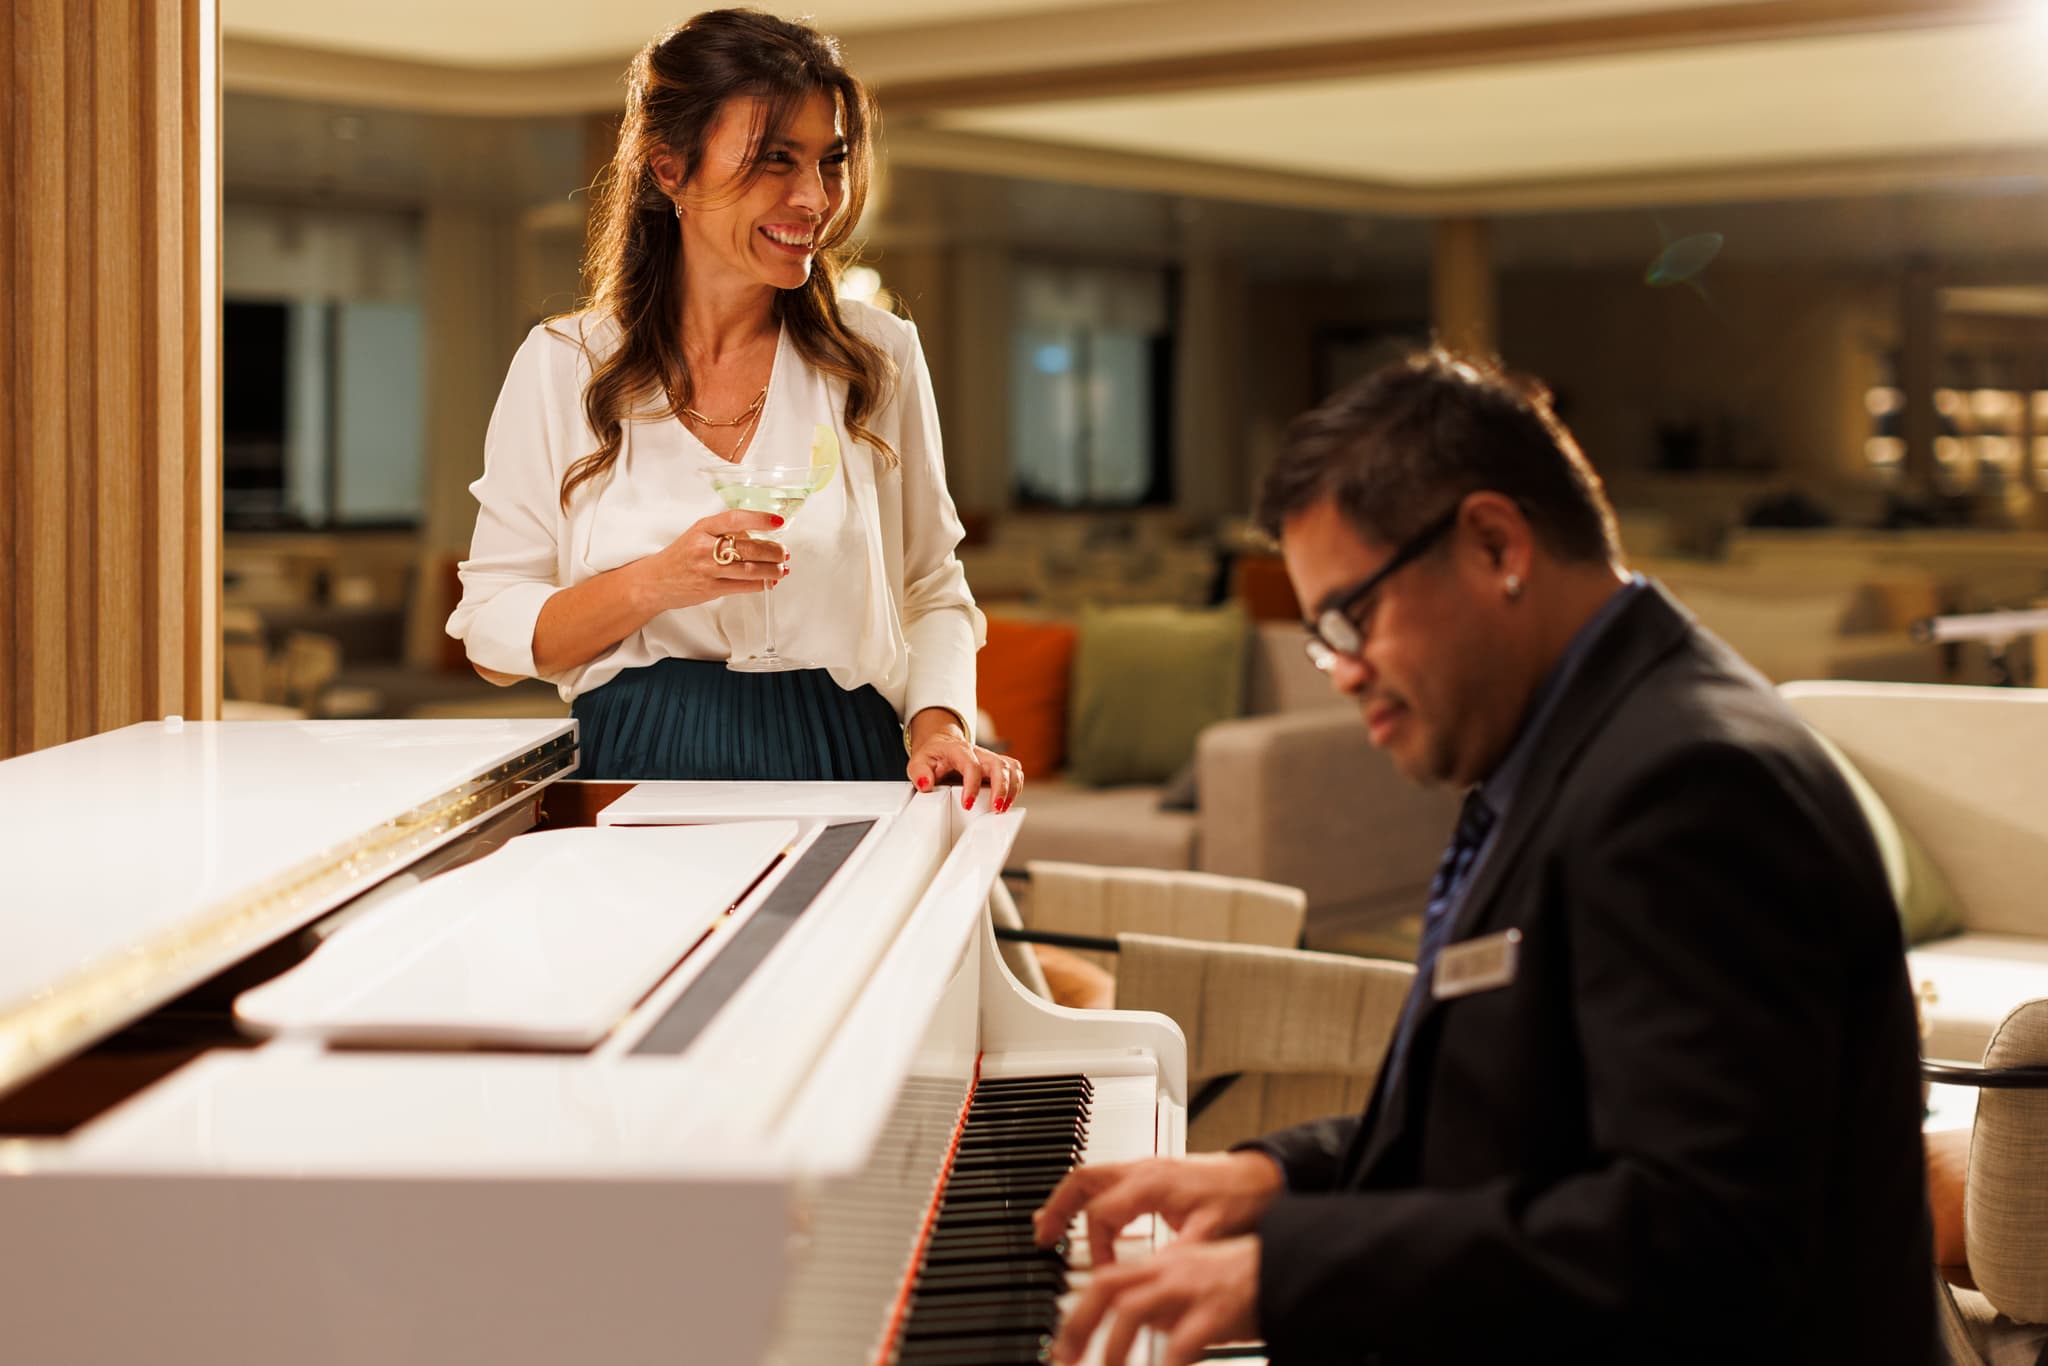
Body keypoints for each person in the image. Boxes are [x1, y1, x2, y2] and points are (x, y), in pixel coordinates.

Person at [1034, 351, 1934, 1364]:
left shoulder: (1691, 786)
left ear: (1495, 544)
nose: (1339, 673)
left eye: (1349, 620)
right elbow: (1523, 1133)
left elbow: (1702, 1245)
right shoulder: (1579, 744)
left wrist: (1290, 1268)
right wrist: (1280, 1179)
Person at [447, 10, 1020, 809]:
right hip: (633, 763)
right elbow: (492, 638)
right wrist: (657, 582)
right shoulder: (564, 364)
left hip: (842, 756)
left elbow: (931, 588)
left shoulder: (877, 354)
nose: (814, 197)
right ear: (670, 169)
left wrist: (940, 727)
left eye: (830, 162)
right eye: (775, 160)